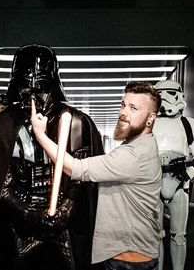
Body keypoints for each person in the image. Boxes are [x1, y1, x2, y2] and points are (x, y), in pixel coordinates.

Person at [0, 44, 104, 270]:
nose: (33, 98)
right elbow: (0, 187)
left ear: (53, 85)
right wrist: (29, 214)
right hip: (21, 223)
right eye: (26, 88)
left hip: (65, 224)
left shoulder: (76, 123)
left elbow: (82, 179)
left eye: (41, 87)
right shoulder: (1, 129)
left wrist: (64, 211)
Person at [31, 81, 163, 270]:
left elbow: (76, 168)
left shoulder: (134, 155)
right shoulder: (142, 145)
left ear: (150, 118)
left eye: (134, 108)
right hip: (132, 253)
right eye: (123, 105)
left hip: (128, 257)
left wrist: (40, 135)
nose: (123, 113)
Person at [152, 80, 194, 270]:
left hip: (180, 183)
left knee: (179, 236)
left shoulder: (188, 124)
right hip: (154, 183)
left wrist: (188, 173)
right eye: (161, 94)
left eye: (170, 93)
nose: (166, 99)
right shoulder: (149, 122)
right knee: (155, 235)